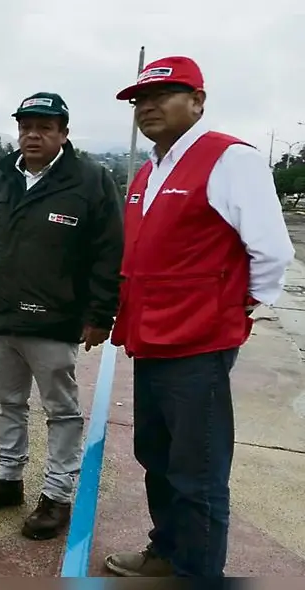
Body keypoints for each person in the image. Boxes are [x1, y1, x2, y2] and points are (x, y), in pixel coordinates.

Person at [103, 56, 295, 578]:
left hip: (198, 343)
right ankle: (167, 551)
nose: (147, 108)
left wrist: (236, 308)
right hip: (151, 338)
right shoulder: (149, 170)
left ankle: (198, 574)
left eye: (161, 95)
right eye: (139, 100)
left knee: (199, 471)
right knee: (157, 458)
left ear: (198, 101)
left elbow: (272, 252)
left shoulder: (230, 159)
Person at [0, 91, 124, 541]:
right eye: (26, 126)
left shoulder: (90, 181)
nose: (33, 135)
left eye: (45, 127)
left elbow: (109, 254)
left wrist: (101, 314)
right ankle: (7, 481)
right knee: (8, 405)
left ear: (63, 133)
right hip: (2, 318)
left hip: (55, 320)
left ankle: (56, 496)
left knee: (61, 411)